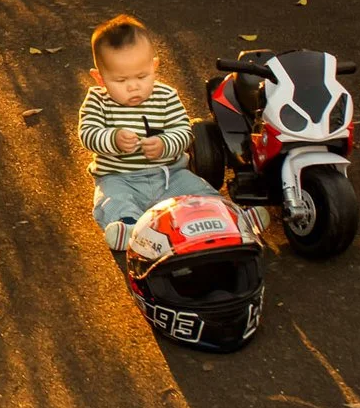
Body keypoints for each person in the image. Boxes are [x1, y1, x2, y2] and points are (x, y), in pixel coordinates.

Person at [79, 14, 264, 248]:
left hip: (168, 174)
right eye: (121, 80)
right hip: (120, 178)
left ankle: (237, 218)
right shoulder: (98, 101)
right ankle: (129, 229)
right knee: (112, 201)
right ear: (100, 79)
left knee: (199, 193)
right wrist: (112, 138)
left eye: (142, 76)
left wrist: (165, 144)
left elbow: (184, 132)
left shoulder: (165, 96)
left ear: (154, 66)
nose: (133, 86)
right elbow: (88, 132)